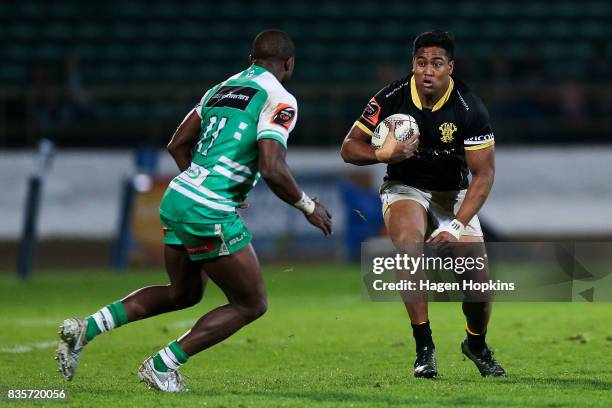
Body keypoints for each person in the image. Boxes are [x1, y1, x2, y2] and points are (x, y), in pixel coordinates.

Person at [56, 29, 332, 392]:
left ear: (251, 59)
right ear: (289, 64)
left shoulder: (220, 89)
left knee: (182, 293)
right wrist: (307, 206)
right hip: (207, 208)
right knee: (251, 303)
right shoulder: (280, 98)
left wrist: (202, 184)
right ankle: (161, 366)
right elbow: (272, 168)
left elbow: (177, 144)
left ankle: (85, 329)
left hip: (178, 196)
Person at [340, 30, 505, 378]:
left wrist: (456, 225)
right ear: (413, 65)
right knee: (409, 247)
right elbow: (349, 147)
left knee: (479, 288)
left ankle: (476, 344)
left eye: (437, 63)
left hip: (450, 195)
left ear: (450, 67)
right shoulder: (392, 97)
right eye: (421, 62)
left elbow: (484, 175)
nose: (428, 70)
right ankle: (424, 348)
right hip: (405, 187)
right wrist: (382, 153)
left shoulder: (469, 107)